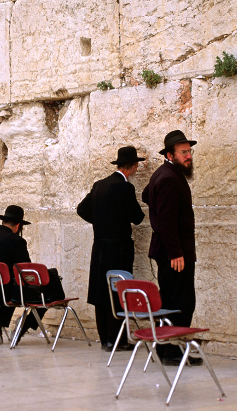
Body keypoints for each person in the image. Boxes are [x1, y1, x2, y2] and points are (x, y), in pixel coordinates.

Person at [77, 146, 145, 352]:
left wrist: (99, 221)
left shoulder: (99, 185)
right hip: (119, 248)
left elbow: (81, 209)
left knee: (101, 292)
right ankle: (118, 340)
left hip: (99, 247)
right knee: (118, 291)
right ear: (133, 167)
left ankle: (106, 339)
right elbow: (138, 217)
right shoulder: (125, 188)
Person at [141, 130, 200, 366]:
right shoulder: (168, 178)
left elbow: (147, 194)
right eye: (183, 152)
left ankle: (165, 348)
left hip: (170, 251)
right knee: (180, 302)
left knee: (171, 301)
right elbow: (166, 220)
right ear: (170, 154)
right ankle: (172, 352)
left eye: (189, 151)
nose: (188, 156)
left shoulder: (165, 174)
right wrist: (176, 252)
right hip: (174, 254)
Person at [0, 205, 46, 345]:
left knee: (8, 285)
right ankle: (23, 326)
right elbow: (26, 269)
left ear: (4, 222)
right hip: (9, 293)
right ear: (18, 226)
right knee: (45, 294)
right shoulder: (17, 241)